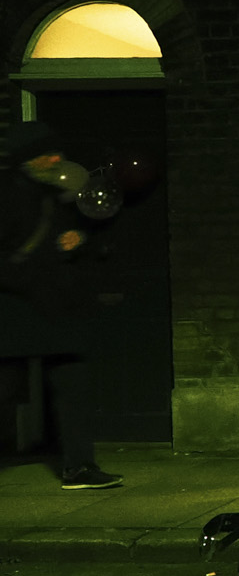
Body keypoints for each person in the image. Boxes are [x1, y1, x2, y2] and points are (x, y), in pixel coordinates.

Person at [0, 120, 121, 488]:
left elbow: (75, 238)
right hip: (16, 306)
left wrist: (77, 240)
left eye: (56, 151)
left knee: (73, 385)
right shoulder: (8, 192)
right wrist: (33, 276)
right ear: (27, 158)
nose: (56, 158)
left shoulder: (58, 193)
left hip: (55, 307)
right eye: (46, 153)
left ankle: (79, 466)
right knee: (5, 389)